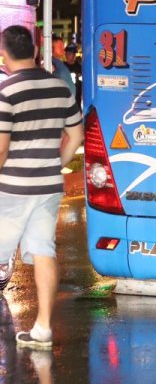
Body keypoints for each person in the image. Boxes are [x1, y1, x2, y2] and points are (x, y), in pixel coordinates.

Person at [0, 25, 84, 349]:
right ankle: (43, 329)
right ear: (35, 51)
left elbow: (2, 150)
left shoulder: (6, 92)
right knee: (44, 250)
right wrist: (55, 164)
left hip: (12, 188)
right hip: (48, 186)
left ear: (4, 56)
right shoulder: (58, 88)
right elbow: (75, 136)